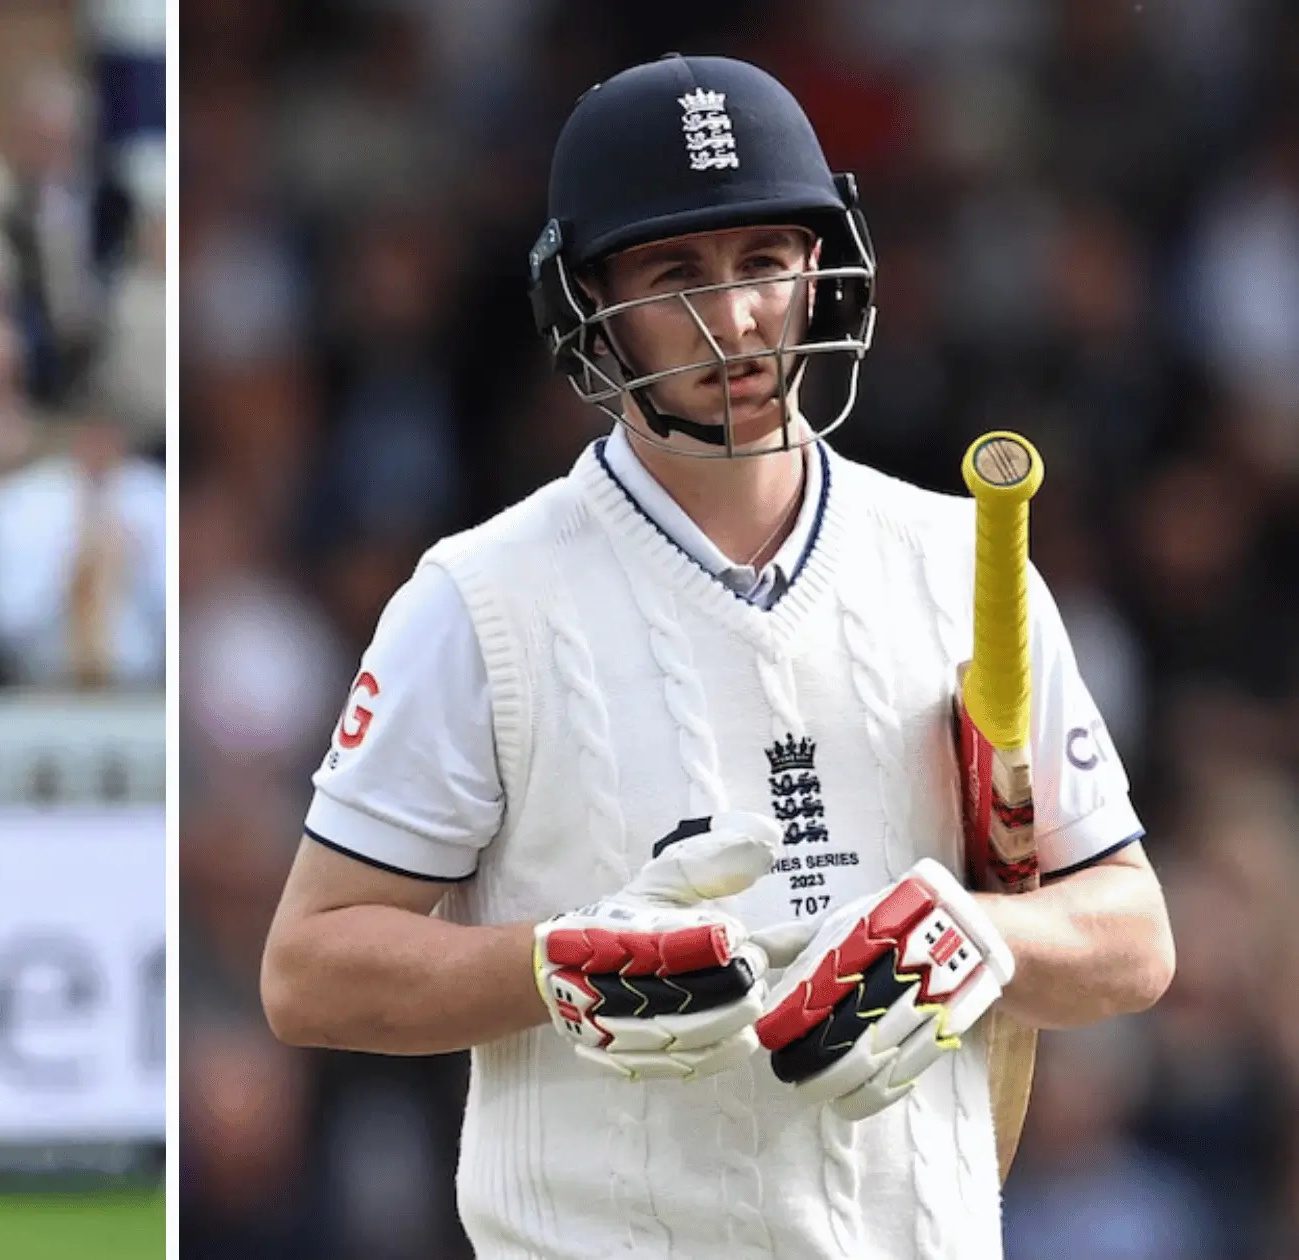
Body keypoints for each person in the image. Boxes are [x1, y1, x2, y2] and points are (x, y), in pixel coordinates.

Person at [259, 55, 1176, 1258]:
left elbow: (1130, 939)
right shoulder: (477, 599)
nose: (735, 320)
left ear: (820, 265)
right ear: (584, 302)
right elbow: (308, 973)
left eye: (762, 262)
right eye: (673, 274)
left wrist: (981, 936)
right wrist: (553, 966)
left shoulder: (959, 560)